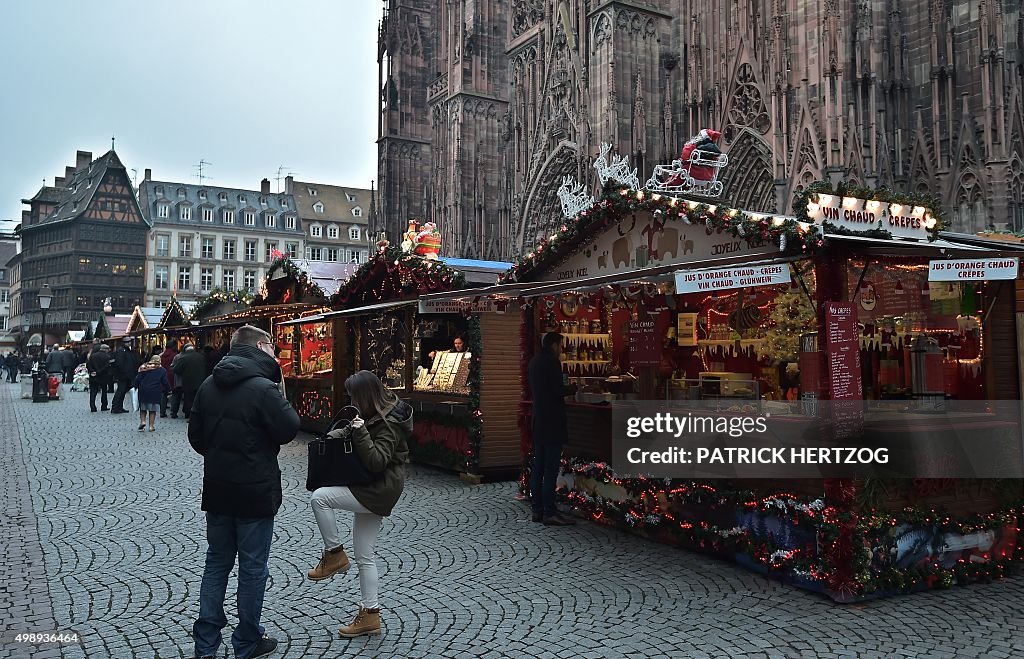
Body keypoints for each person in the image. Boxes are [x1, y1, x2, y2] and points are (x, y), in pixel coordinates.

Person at [188, 324, 299, 659]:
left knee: (217, 562)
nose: (276, 353)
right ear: (262, 346)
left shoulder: (209, 385)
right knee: (253, 569)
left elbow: (197, 438)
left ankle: (206, 645)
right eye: (273, 347)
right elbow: (289, 428)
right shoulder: (264, 389)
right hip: (255, 492)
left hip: (219, 491)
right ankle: (247, 640)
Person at [308, 370, 413, 639]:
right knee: (365, 556)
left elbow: (377, 460)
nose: (350, 399)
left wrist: (360, 432)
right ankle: (371, 615)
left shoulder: (390, 424)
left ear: (364, 395)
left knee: (320, 498)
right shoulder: (374, 413)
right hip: (371, 485)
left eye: (353, 395)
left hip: (378, 489)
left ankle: (334, 554)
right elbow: (358, 427)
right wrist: (338, 433)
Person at [528, 332, 577, 526]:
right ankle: (550, 511)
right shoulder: (552, 363)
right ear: (554, 345)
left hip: (538, 420)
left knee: (538, 467)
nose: (561, 349)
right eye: (560, 345)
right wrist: (572, 389)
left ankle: (537, 509)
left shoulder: (534, 362)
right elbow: (557, 390)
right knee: (550, 469)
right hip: (552, 421)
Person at [134, 355, 170, 432]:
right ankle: (151, 426)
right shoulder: (162, 370)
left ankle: (142, 421)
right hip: (155, 391)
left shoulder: (144, 367)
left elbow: (138, 379)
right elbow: (165, 382)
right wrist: (168, 389)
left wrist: (135, 386)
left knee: (143, 408)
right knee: (152, 410)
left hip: (143, 390)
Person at [172, 344, 208, 419]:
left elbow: (176, 370)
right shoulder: (201, 356)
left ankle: (189, 415)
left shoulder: (184, 358)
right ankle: (198, 414)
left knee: (188, 399)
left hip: (188, 381)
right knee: (198, 398)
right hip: (200, 381)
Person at [110, 341, 141, 414]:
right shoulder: (121, 351)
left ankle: (119, 407)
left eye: (130, 342)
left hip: (127, 375)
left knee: (122, 391)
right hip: (123, 375)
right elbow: (120, 364)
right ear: (124, 343)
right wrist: (124, 373)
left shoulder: (127, 351)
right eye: (127, 342)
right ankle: (115, 407)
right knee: (120, 391)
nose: (129, 343)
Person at [86, 344, 112, 412]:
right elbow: (106, 367)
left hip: (93, 376)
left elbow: (88, 364)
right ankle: (104, 406)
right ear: (106, 349)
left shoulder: (93, 356)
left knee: (93, 392)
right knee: (104, 391)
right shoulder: (107, 357)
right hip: (103, 376)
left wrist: (92, 371)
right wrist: (98, 372)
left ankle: (92, 407)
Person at [160, 341, 179, 418]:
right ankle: (173, 412)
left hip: (163, 376)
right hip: (172, 376)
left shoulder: (162, 356)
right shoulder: (175, 355)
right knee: (174, 394)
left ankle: (162, 412)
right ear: (173, 346)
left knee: (163, 395)